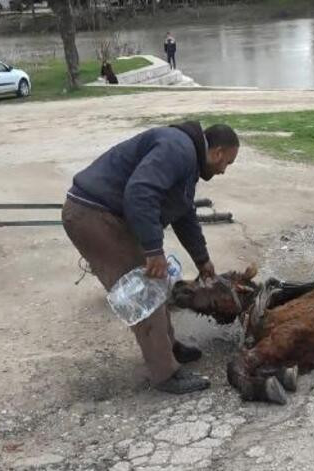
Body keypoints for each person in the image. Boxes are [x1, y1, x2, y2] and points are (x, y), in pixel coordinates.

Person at [62, 122, 240, 394]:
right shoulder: (178, 150)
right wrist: (153, 249)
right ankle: (165, 373)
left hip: (108, 215)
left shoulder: (187, 158)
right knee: (142, 291)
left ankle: (168, 348)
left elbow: (184, 212)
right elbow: (140, 192)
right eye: (227, 161)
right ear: (217, 152)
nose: (224, 170)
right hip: (93, 216)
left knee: (157, 284)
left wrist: (202, 259)